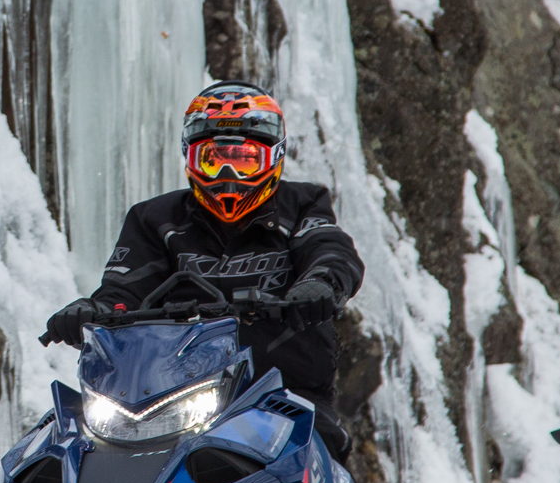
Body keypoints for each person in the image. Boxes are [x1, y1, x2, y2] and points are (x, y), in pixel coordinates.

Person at [41, 82, 364, 457]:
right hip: (172, 399)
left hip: (283, 391)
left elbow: (329, 250)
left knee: (316, 454)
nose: (228, 173)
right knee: (68, 453)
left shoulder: (302, 204)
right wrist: (92, 312)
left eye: (245, 160)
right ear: (190, 158)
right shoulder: (155, 220)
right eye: (213, 159)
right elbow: (122, 293)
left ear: (274, 157)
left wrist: (320, 285)